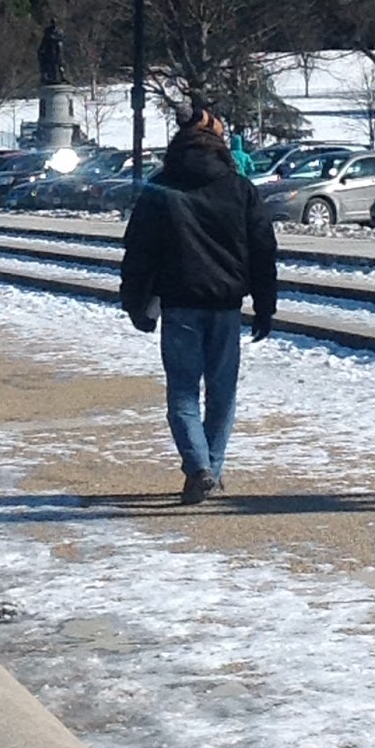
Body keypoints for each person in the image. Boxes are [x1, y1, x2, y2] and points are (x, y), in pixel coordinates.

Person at [120, 102, 278, 505]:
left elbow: (138, 248)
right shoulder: (240, 188)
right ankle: (212, 468)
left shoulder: (161, 187)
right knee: (222, 393)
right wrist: (265, 304)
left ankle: (199, 468)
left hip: (179, 303)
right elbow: (262, 248)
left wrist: (135, 301)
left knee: (183, 392)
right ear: (220, 145)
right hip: (226, 304)